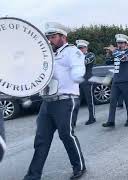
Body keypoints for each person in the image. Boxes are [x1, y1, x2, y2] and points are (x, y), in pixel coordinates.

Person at [24, 22, 86, 180]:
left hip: (66, 100)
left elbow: (78, 67)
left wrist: (77, 74)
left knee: (66, 135)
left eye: (53, 36)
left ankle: (79, 166)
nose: (49, 40)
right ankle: (33, 175)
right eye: (48, 37)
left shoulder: (72, 51)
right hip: (47, 102)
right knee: (41, 139)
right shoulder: (48, 54)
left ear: (63, 37)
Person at [102, 34, 128, 128]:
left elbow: (123, 58)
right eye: (118, 43)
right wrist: (108, 54)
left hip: (125, 79)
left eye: (121, 43)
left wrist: (114, 51)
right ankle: (111, 121)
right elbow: (108, 62)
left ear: (125, 43)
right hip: (116, 79)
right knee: (112, 101)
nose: (119, 44)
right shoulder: (116, 52)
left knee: (127, 101)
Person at [76, 39, 96, 125]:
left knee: (89, 101)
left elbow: (84, 62)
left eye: (82, 48)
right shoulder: (76, 57)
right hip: (79, 81)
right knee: (76, 102)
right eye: (79, 48)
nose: (80, 49)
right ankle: (73, 121)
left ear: (86, 48)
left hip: (87, 80)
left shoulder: (90, 55)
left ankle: (92, 117)